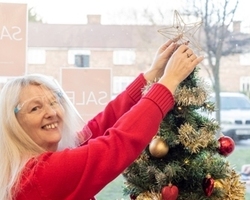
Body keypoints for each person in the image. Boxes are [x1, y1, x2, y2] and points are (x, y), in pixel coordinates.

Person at [0, 37, 203, 200]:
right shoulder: (38, 175)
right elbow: (114, 145)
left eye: (54, 102)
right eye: (35, 108)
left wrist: (151, 75)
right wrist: (169, 82)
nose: (51, 112)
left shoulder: (26, 165)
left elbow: (96, 129)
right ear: (13, 122)